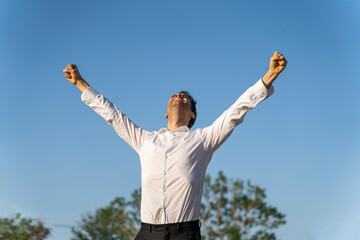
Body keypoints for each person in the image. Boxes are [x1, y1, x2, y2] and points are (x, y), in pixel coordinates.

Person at [63, 51, 287, 240]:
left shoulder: (203, 139)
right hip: (147, 232)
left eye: (185, 97)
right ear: (165, 112)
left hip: (185, 234)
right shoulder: (145, 140)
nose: (179, 95)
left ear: (192, 115)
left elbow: (236, 111)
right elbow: (113, 115)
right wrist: (80, 83)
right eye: (175, 95)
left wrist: (270, 75)